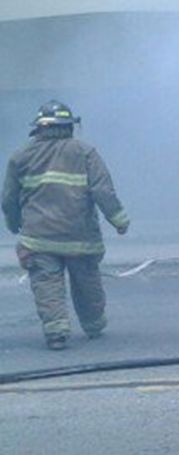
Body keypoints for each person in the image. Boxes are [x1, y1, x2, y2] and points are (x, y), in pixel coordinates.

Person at [2, 100, 130, 350]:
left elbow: (9, 199)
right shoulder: (85, 152)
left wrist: (14, 223)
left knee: (46, 284)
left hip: (38, 239)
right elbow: (103, 190)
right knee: (87, 282)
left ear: (38, 128)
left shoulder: (21, 156)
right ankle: (93, 325)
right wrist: (119, 220)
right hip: (80, 237)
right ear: (70, 126)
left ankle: (56, 333)